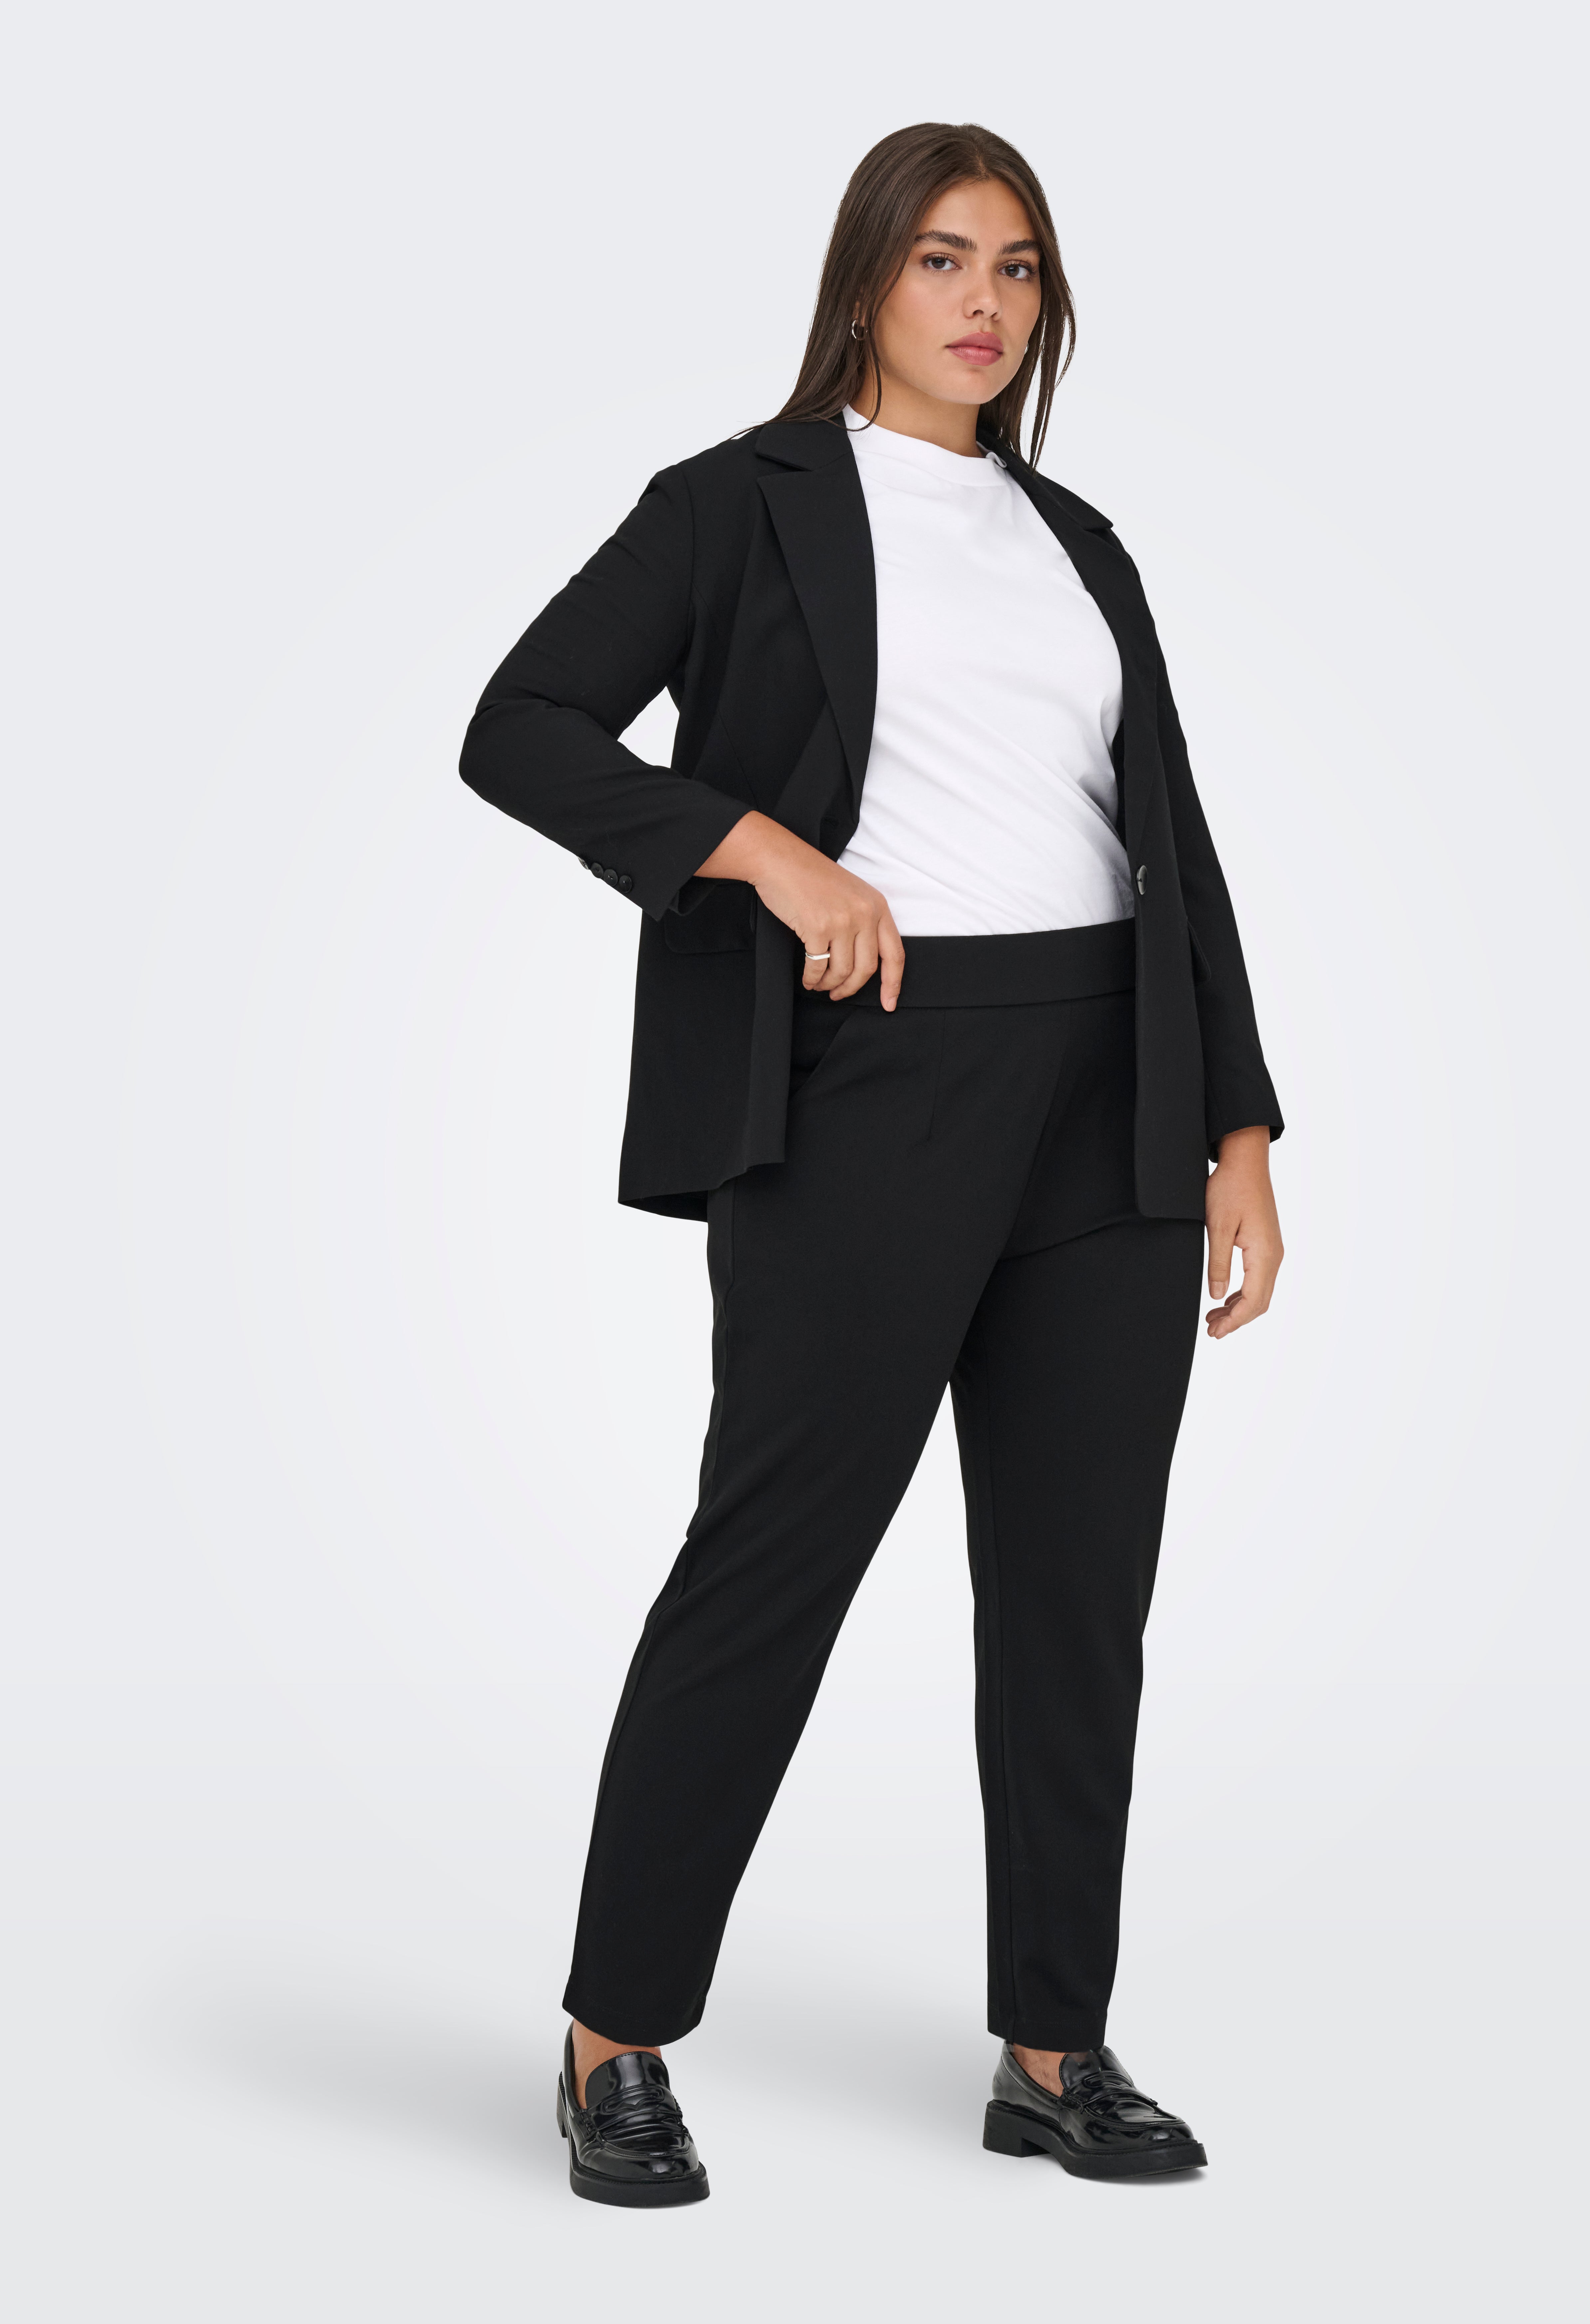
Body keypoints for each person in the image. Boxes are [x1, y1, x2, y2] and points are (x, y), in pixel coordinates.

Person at [460, 121, 1284, 2207]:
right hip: (869, 1083)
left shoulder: (1075, 538)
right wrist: (760, 852)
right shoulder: (734, 503)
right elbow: (522, 722)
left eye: (1016, 266)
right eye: (940, 259)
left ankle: (1051, 2043)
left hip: (1109, 1088)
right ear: (863, 282)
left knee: (1078, 1594)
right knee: (773, 1560)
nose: (982, 302)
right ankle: (615, 2031)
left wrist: (1237, 1119)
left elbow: (1166, 837)